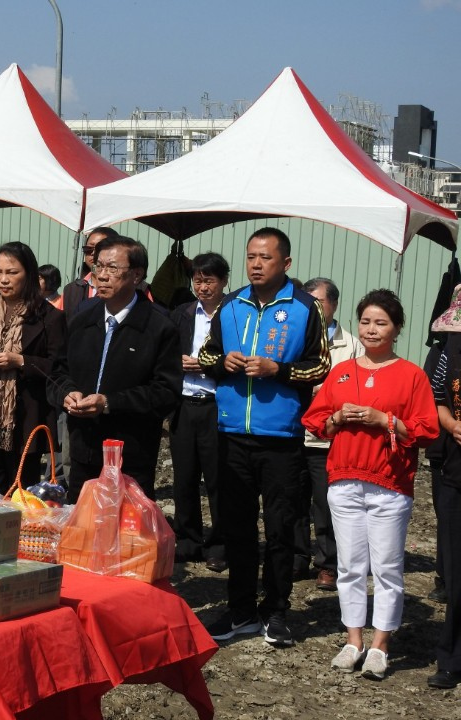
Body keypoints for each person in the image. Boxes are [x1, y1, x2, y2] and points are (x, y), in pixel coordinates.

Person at [199, 227, 330, 648]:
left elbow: (320, 367)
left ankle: (276, 611)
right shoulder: (231, 305)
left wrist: (281, 371)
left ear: (285, 264)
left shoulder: (305, 308)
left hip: (282, 437)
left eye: (265, 258)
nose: (256, 264)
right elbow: (205, 356)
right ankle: (240, 611)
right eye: (251, 257)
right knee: (236, 528)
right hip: (231, 433)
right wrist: (223, 361)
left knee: (280, 528)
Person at [302, 289, 437, 680]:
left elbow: (426, 430)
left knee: (388, 567)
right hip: (344, 479)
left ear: (397, 328)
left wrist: (386, 420)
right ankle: (353, 639)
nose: (371, 329)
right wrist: (338, 418)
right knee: (350, 566)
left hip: (389, 483)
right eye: (365, 321)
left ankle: (381, 644)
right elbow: (317, 420)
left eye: (381, 322)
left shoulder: (411, 375)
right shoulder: (342, 371)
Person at [50, 235, 181, 502]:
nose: (102, 276)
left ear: (136, 275)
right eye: (98, 267)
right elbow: (57, 373)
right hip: (83, 448)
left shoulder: (159, 326)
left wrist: (109, 402)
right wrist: (67, 393)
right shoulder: (82, 319)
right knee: (83, 528)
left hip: (131, 452)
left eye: (112, 268)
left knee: (125, 532)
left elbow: (166, 392)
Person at [0, 242, 65, 495]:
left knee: (21, 495)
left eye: (12, 272)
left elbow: (60, 367)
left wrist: (20, 361)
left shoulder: (48, 316)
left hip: (25, 418)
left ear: (29, 275)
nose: (3, 279)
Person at [294, 278, 364, 590]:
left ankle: (328, 564)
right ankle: (296, 559)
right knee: (292, 502)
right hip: (292, 432)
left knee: (325, 505)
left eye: (319, 302)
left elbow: (355, 389)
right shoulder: (294, 336)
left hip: (327, 438)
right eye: (308, 302)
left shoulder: (351, 345)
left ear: (334, 304)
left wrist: (323, 392)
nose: (314, 309)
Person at [169, 252, 229, 571]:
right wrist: (177, 363)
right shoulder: (182, 313)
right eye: (197, 280)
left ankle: (219, 543)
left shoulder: (233, 314)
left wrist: (206, 365)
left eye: (209, 280)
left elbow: (236, 358)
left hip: (216, 404)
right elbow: (166, 351)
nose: (202, 286)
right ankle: (187, 538)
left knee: (217, 477)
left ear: (223, 282)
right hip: (184, 401)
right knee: (184, 476)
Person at [422, 287, 461, 689]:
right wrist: (451, 425)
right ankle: (452, 657)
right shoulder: (450, 350)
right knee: (457, 567)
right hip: (455, 469)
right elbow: (436, 396)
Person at [60, 226, 117, 322]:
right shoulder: (71, 290)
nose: (93, 253)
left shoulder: (131, 288)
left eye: (100, 248)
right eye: (88, 249)